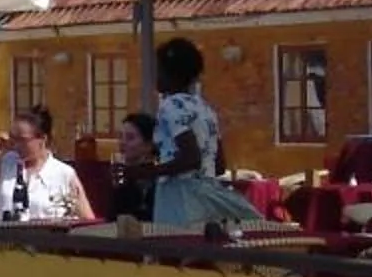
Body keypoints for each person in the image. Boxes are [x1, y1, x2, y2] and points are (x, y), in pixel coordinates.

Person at [138, 37, 263, 227]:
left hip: (179, 196)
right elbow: (219, 165)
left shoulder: (170, 106)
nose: (155, 75)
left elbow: (191, 157)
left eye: (158, 69)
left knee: (173, 246)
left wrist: (149, 171)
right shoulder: (205, 108)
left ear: (170, 73)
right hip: (207, 194)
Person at [0, 106, 91, 222]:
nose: (16, 145)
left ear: (42, 139)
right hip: (5, 240)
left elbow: (87, 219)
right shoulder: (8, 163)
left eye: (22, 140)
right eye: (13, 138)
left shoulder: (63, 173)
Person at [110, 111, 160, 222]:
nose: (122, 143)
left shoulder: (158, 177)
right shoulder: (119, 174)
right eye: (121, 137)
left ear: (148, 144)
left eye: (130, 138)